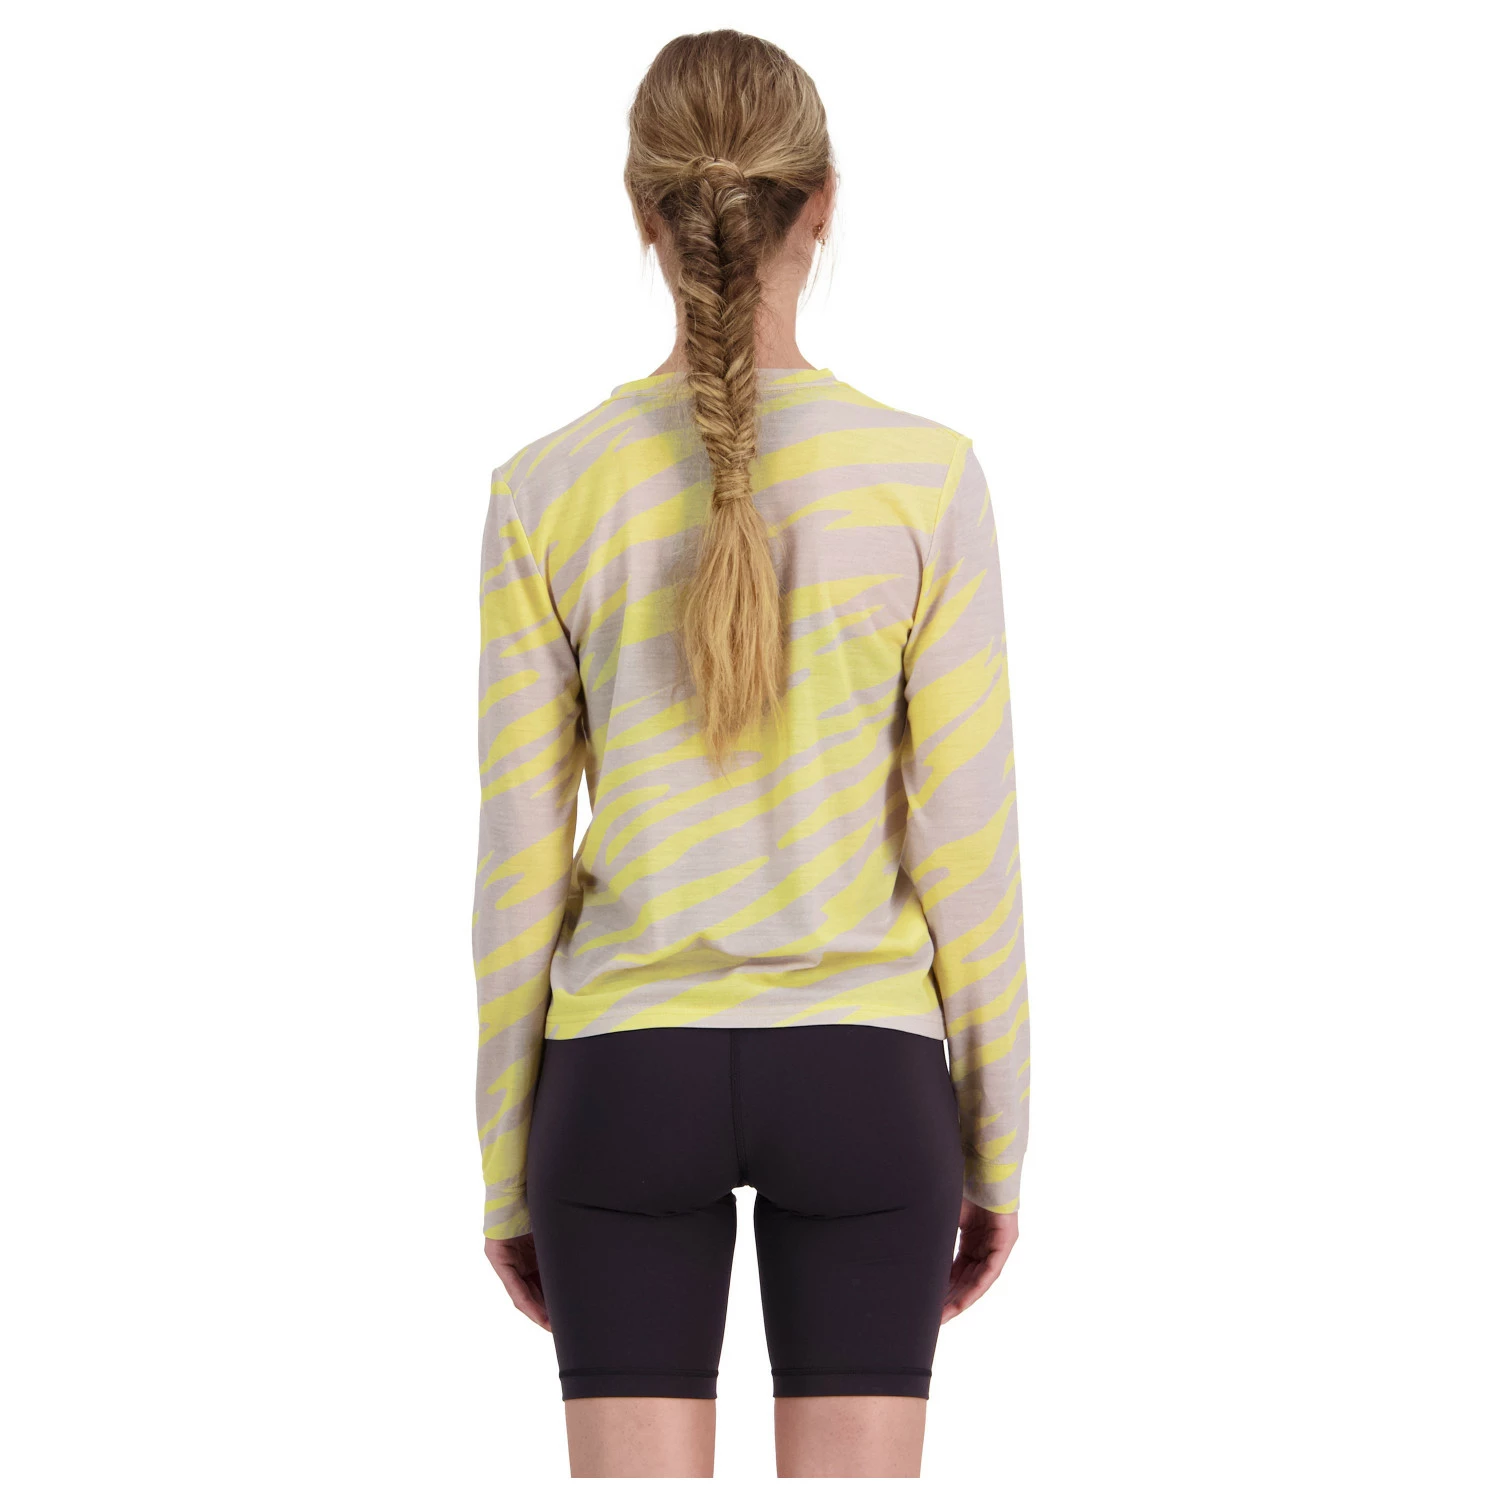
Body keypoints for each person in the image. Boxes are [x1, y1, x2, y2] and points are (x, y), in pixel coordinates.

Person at [473, 28, 1030, 1480]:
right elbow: (969, 852)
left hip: (620, 1087)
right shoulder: (928, 481)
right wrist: (997, 1149)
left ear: (642, 213)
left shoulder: (545, 491)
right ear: (822, 203)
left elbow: (519, 867)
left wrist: (504, 1167)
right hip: (867, 1083)